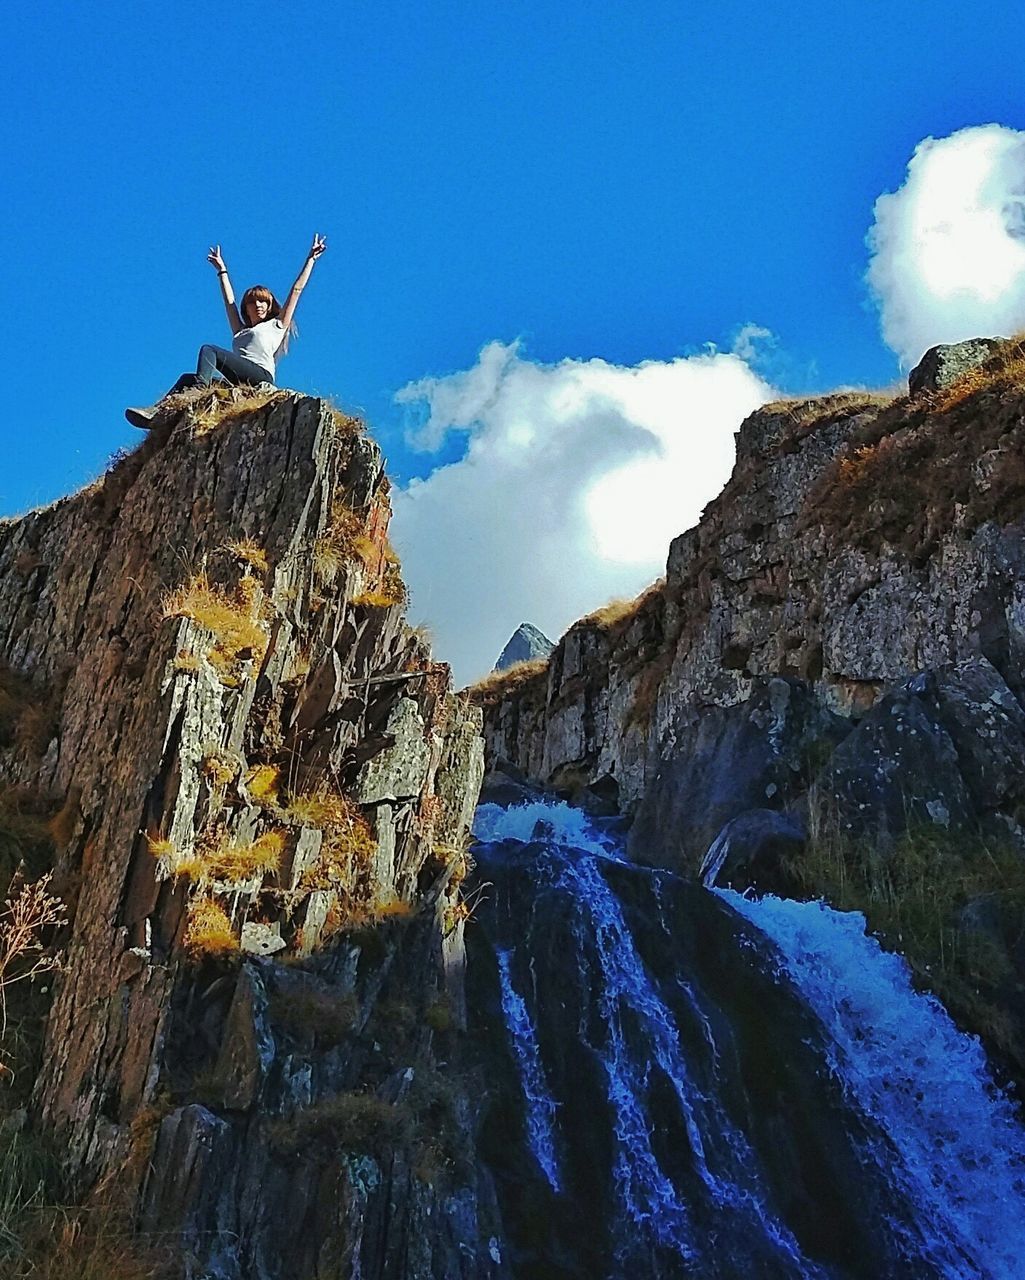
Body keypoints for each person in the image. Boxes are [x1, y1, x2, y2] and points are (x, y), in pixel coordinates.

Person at [125, 234, 327, 429]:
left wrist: (310, 259)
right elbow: (229, 303)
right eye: (252, 302)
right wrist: (222, 270)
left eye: (263, 301)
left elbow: (296, 290)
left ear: (269, 305)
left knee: (209, 350)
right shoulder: (240, 331)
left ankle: (200, 389)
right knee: (187, 378)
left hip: (260, 375)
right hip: (239, 380)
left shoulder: (277, 325)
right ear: (246, 308)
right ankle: (155, 415)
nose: (258, 305)